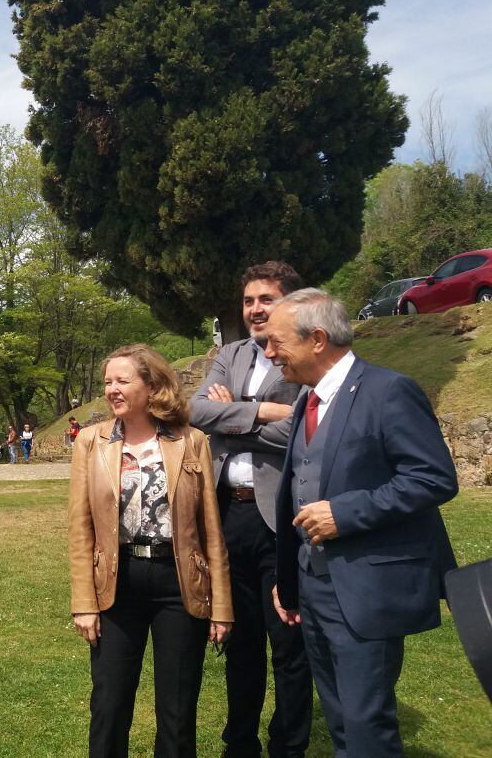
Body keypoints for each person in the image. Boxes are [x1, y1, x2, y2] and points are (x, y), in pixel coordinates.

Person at [265, 289, 458, 757]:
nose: (268, 354)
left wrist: (346, 513)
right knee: (340, 720)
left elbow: (434, 478)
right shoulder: (305, 402)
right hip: (313, 589)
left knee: (366, 721)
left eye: (275, 342)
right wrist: (290, 580)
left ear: (316, 339)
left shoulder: (389, 391)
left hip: (365, 588)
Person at [69, 344, 233, 757]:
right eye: (107, 381)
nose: (111, 389)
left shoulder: (191, 441)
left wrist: (222, 606)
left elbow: (210, 529)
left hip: (179, 586)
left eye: (122, 380)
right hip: (115, 584)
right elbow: (80, 528)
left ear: (153, 386)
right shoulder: (91, 442)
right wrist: (83, 601)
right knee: (109, 703)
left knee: (178, 712)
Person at [190, 262, 312, 758]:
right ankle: (238, 745)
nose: (256, 309)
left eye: (267, 299)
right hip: (226, 516)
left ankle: (288, 746)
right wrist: (264, 409)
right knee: (238, 644)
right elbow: (197, 411)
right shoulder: (232, 353)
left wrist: (231, 417)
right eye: (248, 301)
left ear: (290, 303)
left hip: (281, 518)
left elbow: (304, 427)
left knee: (288, 646)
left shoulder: (305, 354)